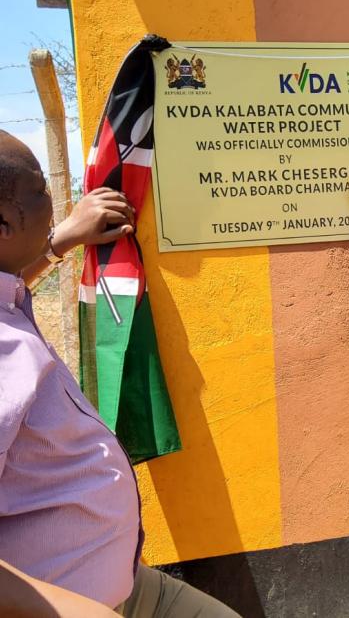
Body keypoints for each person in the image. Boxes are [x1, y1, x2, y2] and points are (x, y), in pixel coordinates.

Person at [0, 130, 240, 617]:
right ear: (4, 222)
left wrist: (61, 239)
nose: (58, 200)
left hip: (126, 585)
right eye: (42, 190)